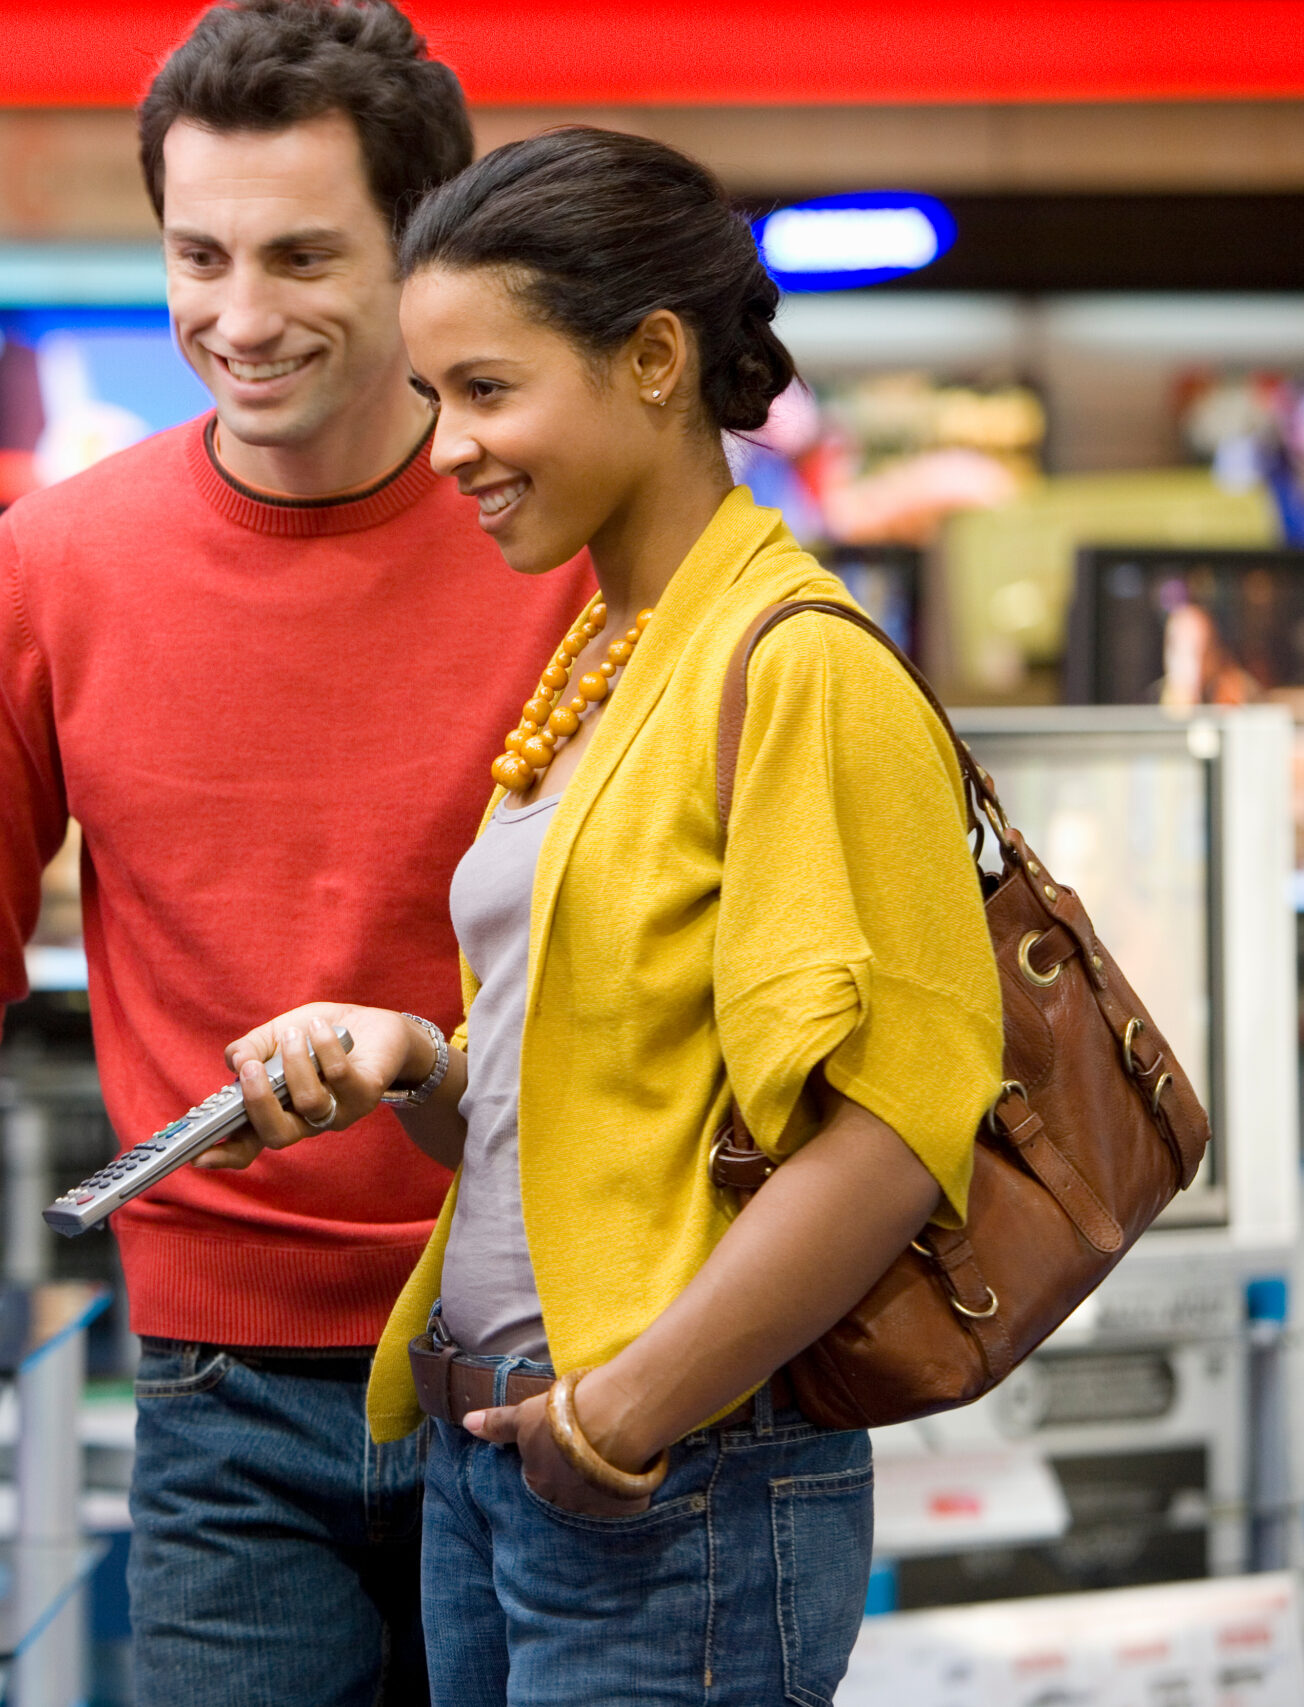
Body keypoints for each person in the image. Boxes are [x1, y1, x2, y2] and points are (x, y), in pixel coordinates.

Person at [0, 3, 594, 1701]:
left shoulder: (570, 552)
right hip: (224, 1392)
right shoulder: (54, 570)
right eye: (200, 254)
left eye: (302, 257)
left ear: (423, 251)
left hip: (551, 1363)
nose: (238, 318)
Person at [223, 128, 1005, 1705]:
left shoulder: (796, 667)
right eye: (437, 396)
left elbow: (898, 1123)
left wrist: (627, 1413)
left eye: (489, 390)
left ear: (654, 359)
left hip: (669, 1481)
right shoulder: (611, 655)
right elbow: (612, 1110)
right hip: (509, 1460)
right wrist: (425, 1068)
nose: (445, 446)